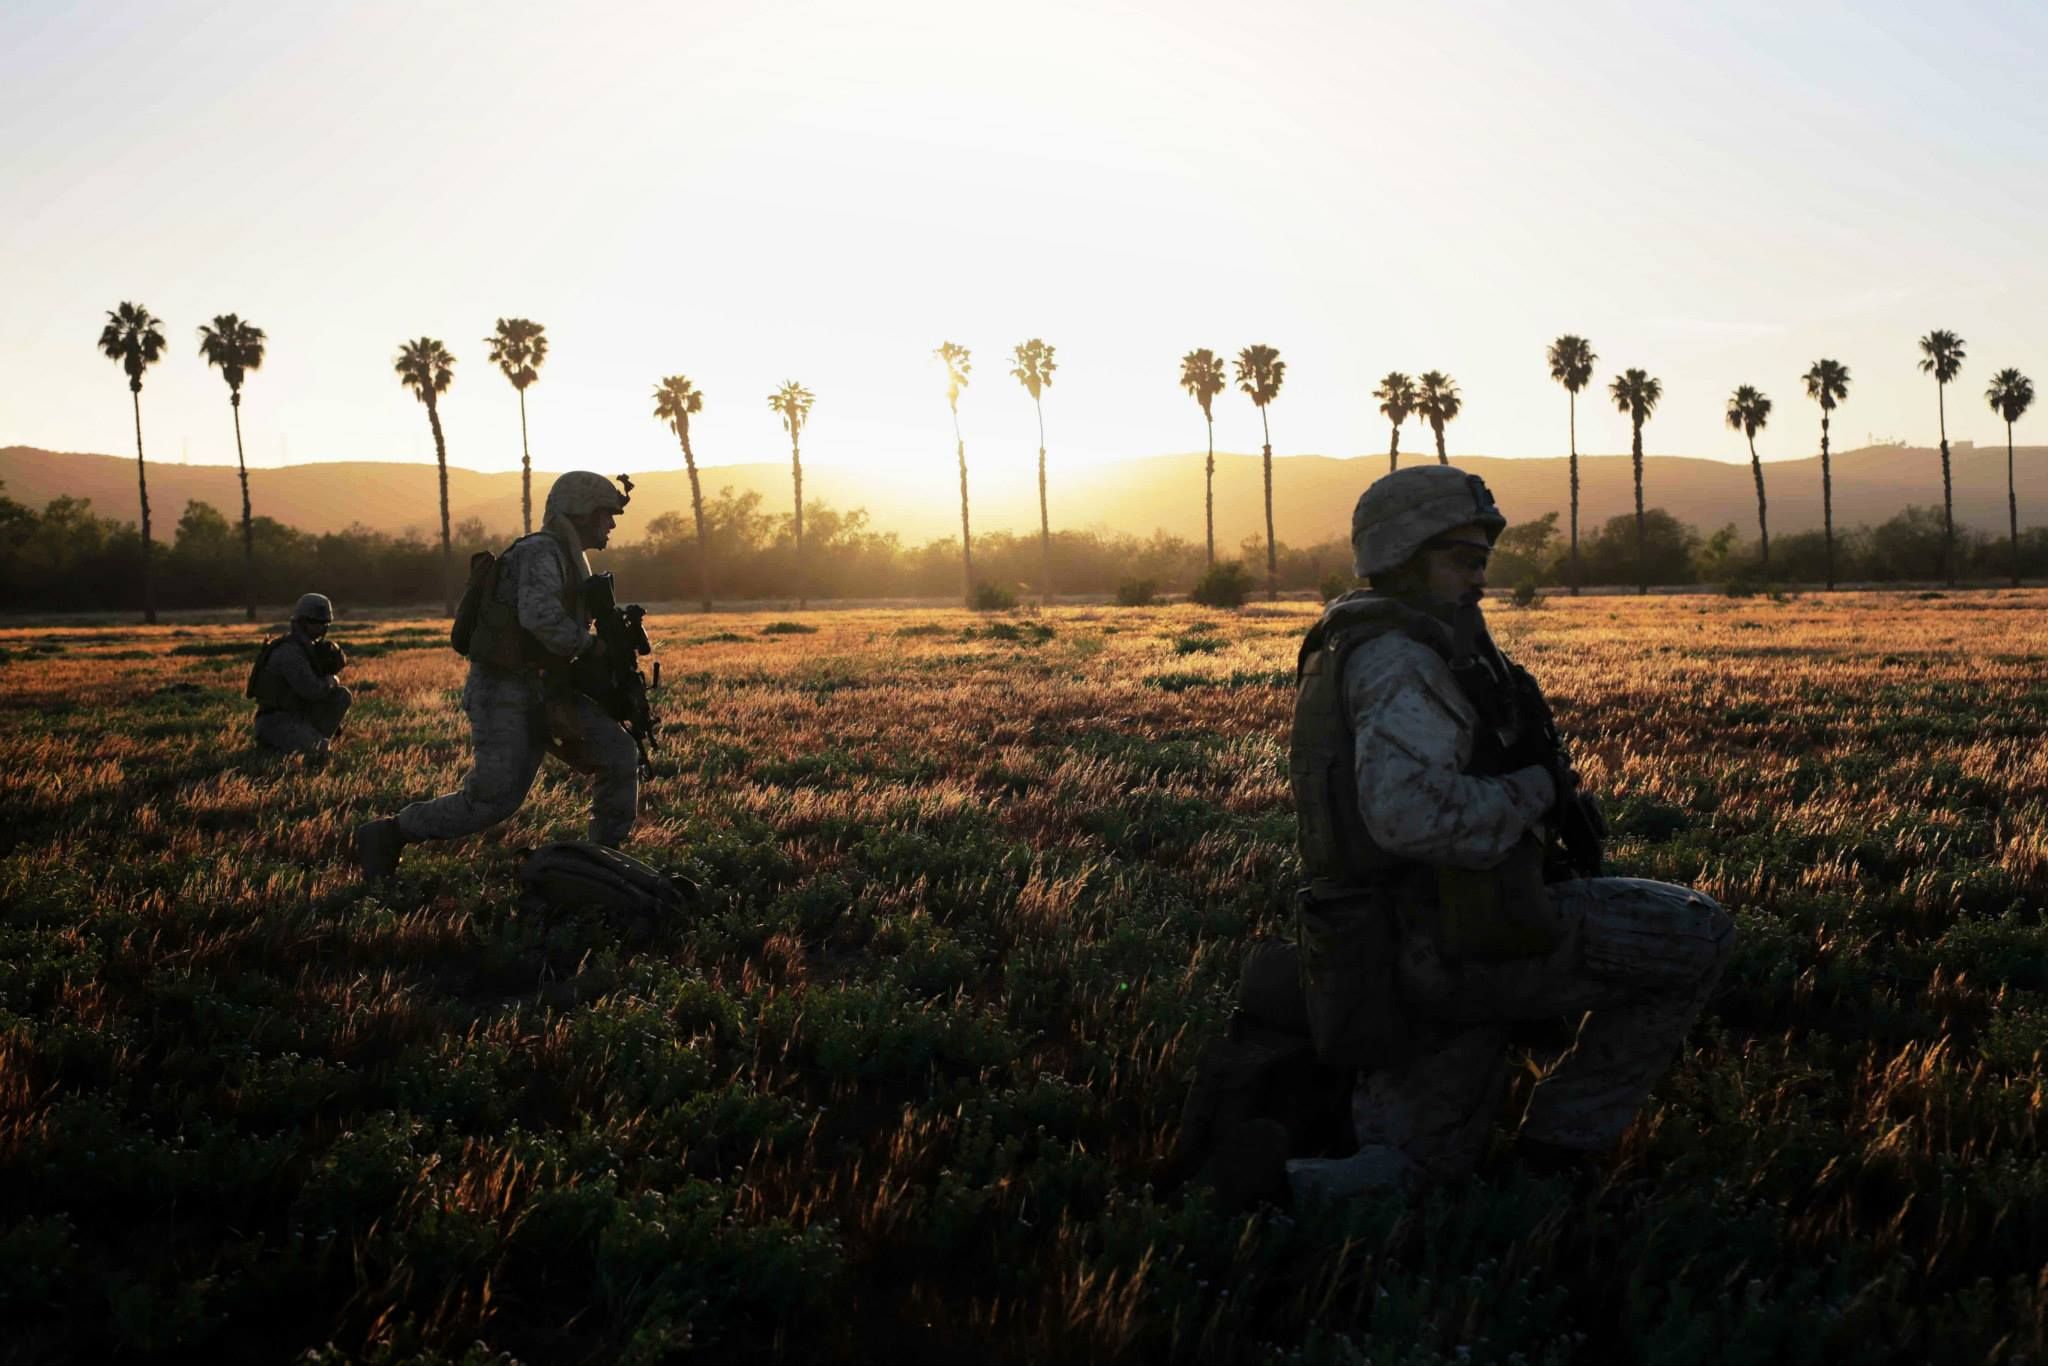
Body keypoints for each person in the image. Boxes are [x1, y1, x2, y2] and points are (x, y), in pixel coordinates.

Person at [1282, 464, 1735, 1201]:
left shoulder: (1355, 644)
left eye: (1480, 561)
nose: (1478, 579)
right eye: (1462, 559)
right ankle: (1560, 1151)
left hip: (1390, 948)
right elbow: (1411, 818)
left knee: (1415, 1178)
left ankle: (1268, 1197)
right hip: (1457, 940)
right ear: (1406, 553)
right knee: (1698, 934)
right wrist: (1537, 790)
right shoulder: (1403, 661)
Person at [354, 471, 641, 878]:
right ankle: (390, 833)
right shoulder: (542, 552)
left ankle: (604, 863)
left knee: (618, 753)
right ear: (579, 512)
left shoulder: (566, 555)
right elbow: (539, 618)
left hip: (546, 687)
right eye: (605, 514)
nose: (610, 524)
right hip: (504, 689)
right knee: (492, 800)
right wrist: (593, 646)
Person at [249, 592, 351, 768]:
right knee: (320, 753)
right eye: (317, 623)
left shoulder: (307, 648)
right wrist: (331, 680)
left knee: (342, 696)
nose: (323, 628)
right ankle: (278, 747)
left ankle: (309, 740)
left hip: (297, 716)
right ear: (303, 622)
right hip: (276, 722)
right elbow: (312, 691)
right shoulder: (290, 652)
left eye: (326, 623)